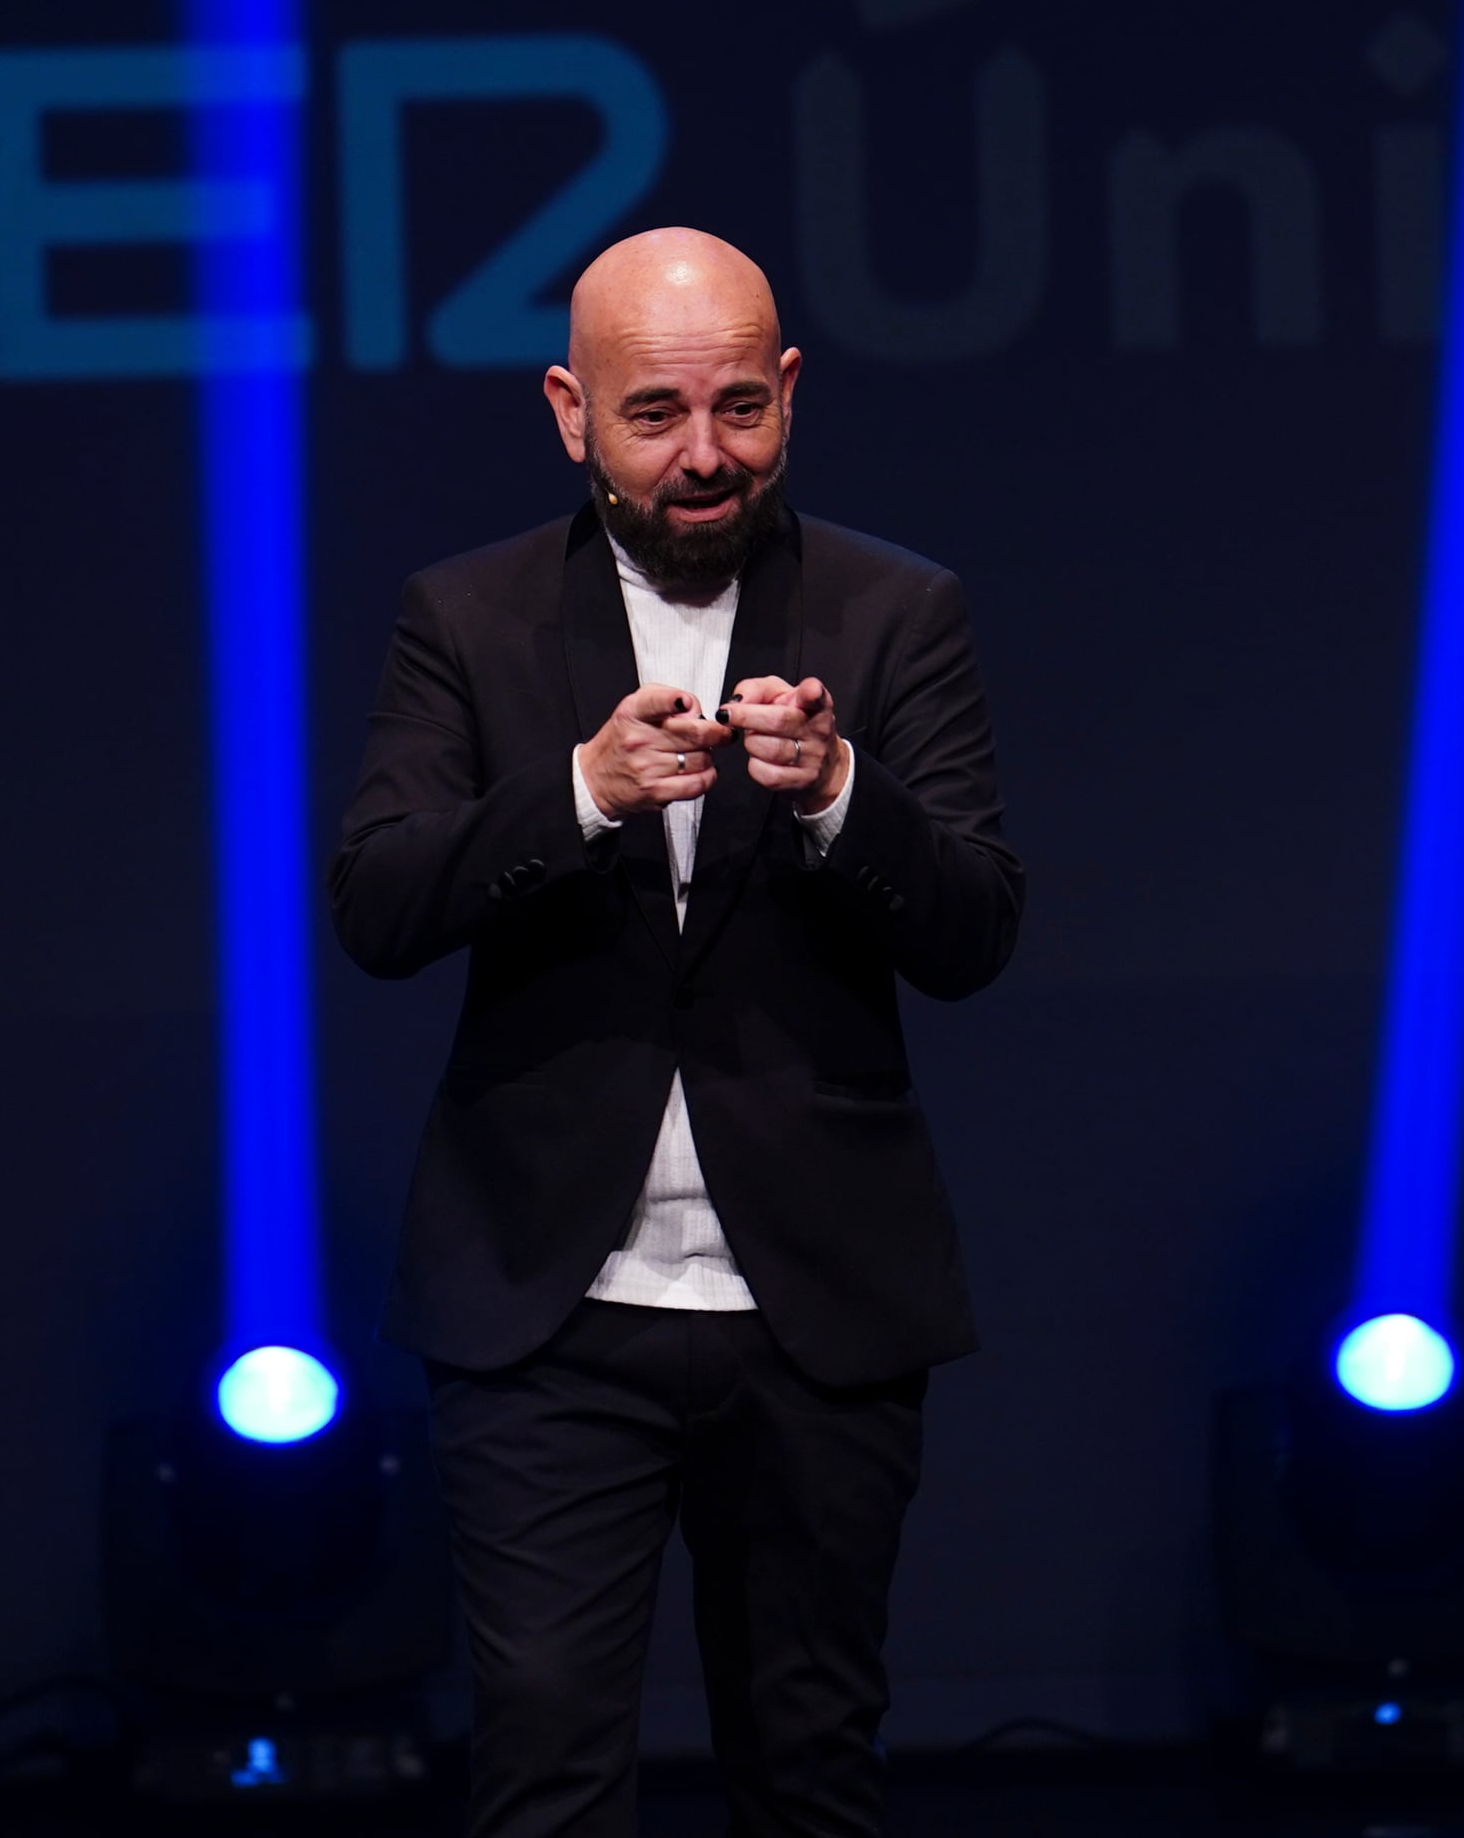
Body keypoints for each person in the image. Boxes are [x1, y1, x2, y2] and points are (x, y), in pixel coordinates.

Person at [330, 228, 1025, 1837]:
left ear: (790, 395)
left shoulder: (894, 612)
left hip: (819, 1309)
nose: (704, 456)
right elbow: (375, 904)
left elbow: (979, 927)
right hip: (546, 1311)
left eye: (738, 409)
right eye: (655, 416)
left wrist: (847, 797)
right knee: (552, 1779)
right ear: (571, 414)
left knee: (810, 1775)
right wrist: (577, 792)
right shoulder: (472, 618)